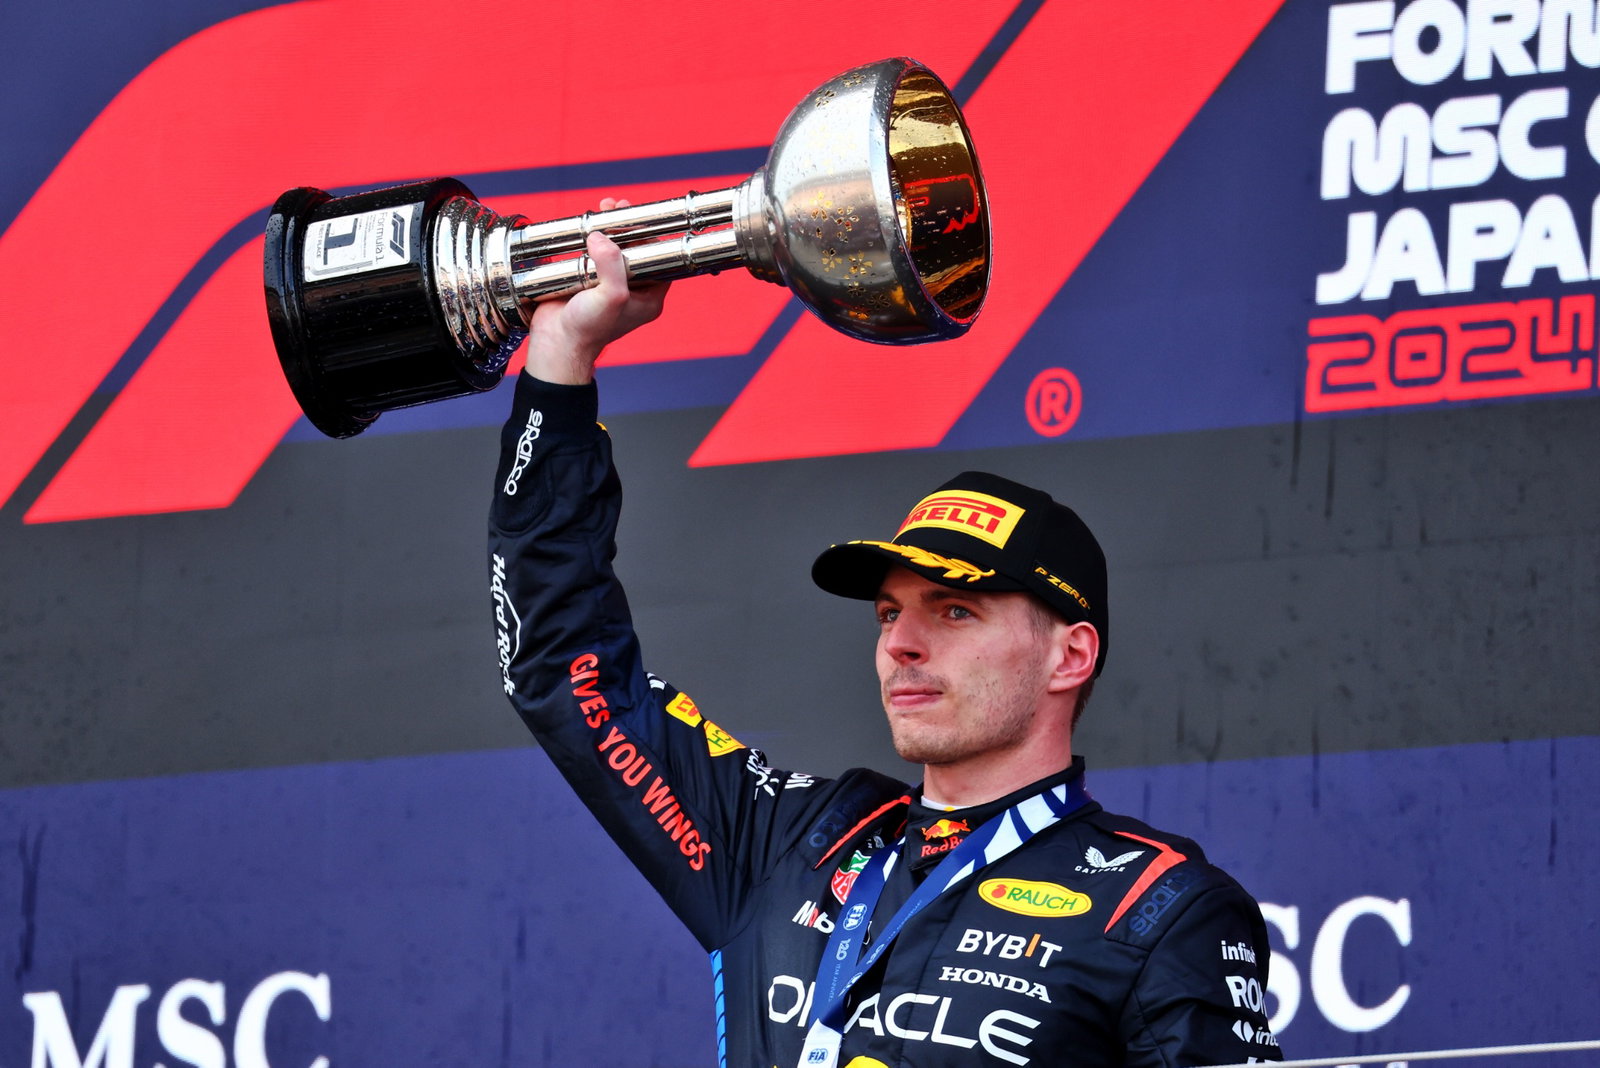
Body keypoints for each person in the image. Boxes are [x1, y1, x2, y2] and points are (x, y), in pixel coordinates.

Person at [487, 217, 1281, 1068]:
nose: (901, 642)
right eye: (888, 613)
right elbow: (566, 673)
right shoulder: (790, 844)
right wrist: (559, 369)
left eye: (954, 611)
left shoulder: (1157, 908)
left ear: (1070, 657)